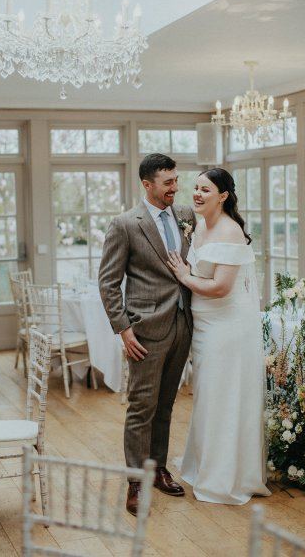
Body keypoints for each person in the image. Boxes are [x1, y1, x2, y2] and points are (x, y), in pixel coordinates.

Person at [98, 153, 196, 516]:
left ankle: (158, 470)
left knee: (167, 405)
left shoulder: (185, 216)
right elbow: (108, 282)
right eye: (167, 182)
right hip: (145, 331)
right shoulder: (125, 224)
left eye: (176, 180)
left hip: (184, 325)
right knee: (142, 407)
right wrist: (123, 329)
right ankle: (136, 482)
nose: (175, 188)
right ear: (147, 184)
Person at [167, 167, 270, 505]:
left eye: (206, 190)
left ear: (223, 196)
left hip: (227, 327)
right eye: (195, 188)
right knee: (209, 397)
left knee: (224, 397)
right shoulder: (197, 226)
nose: (197, 194)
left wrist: (184, 275)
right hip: (205, 326)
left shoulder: (229, 232)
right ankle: (205, 465)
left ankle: (225, 476)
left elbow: (221, 287)